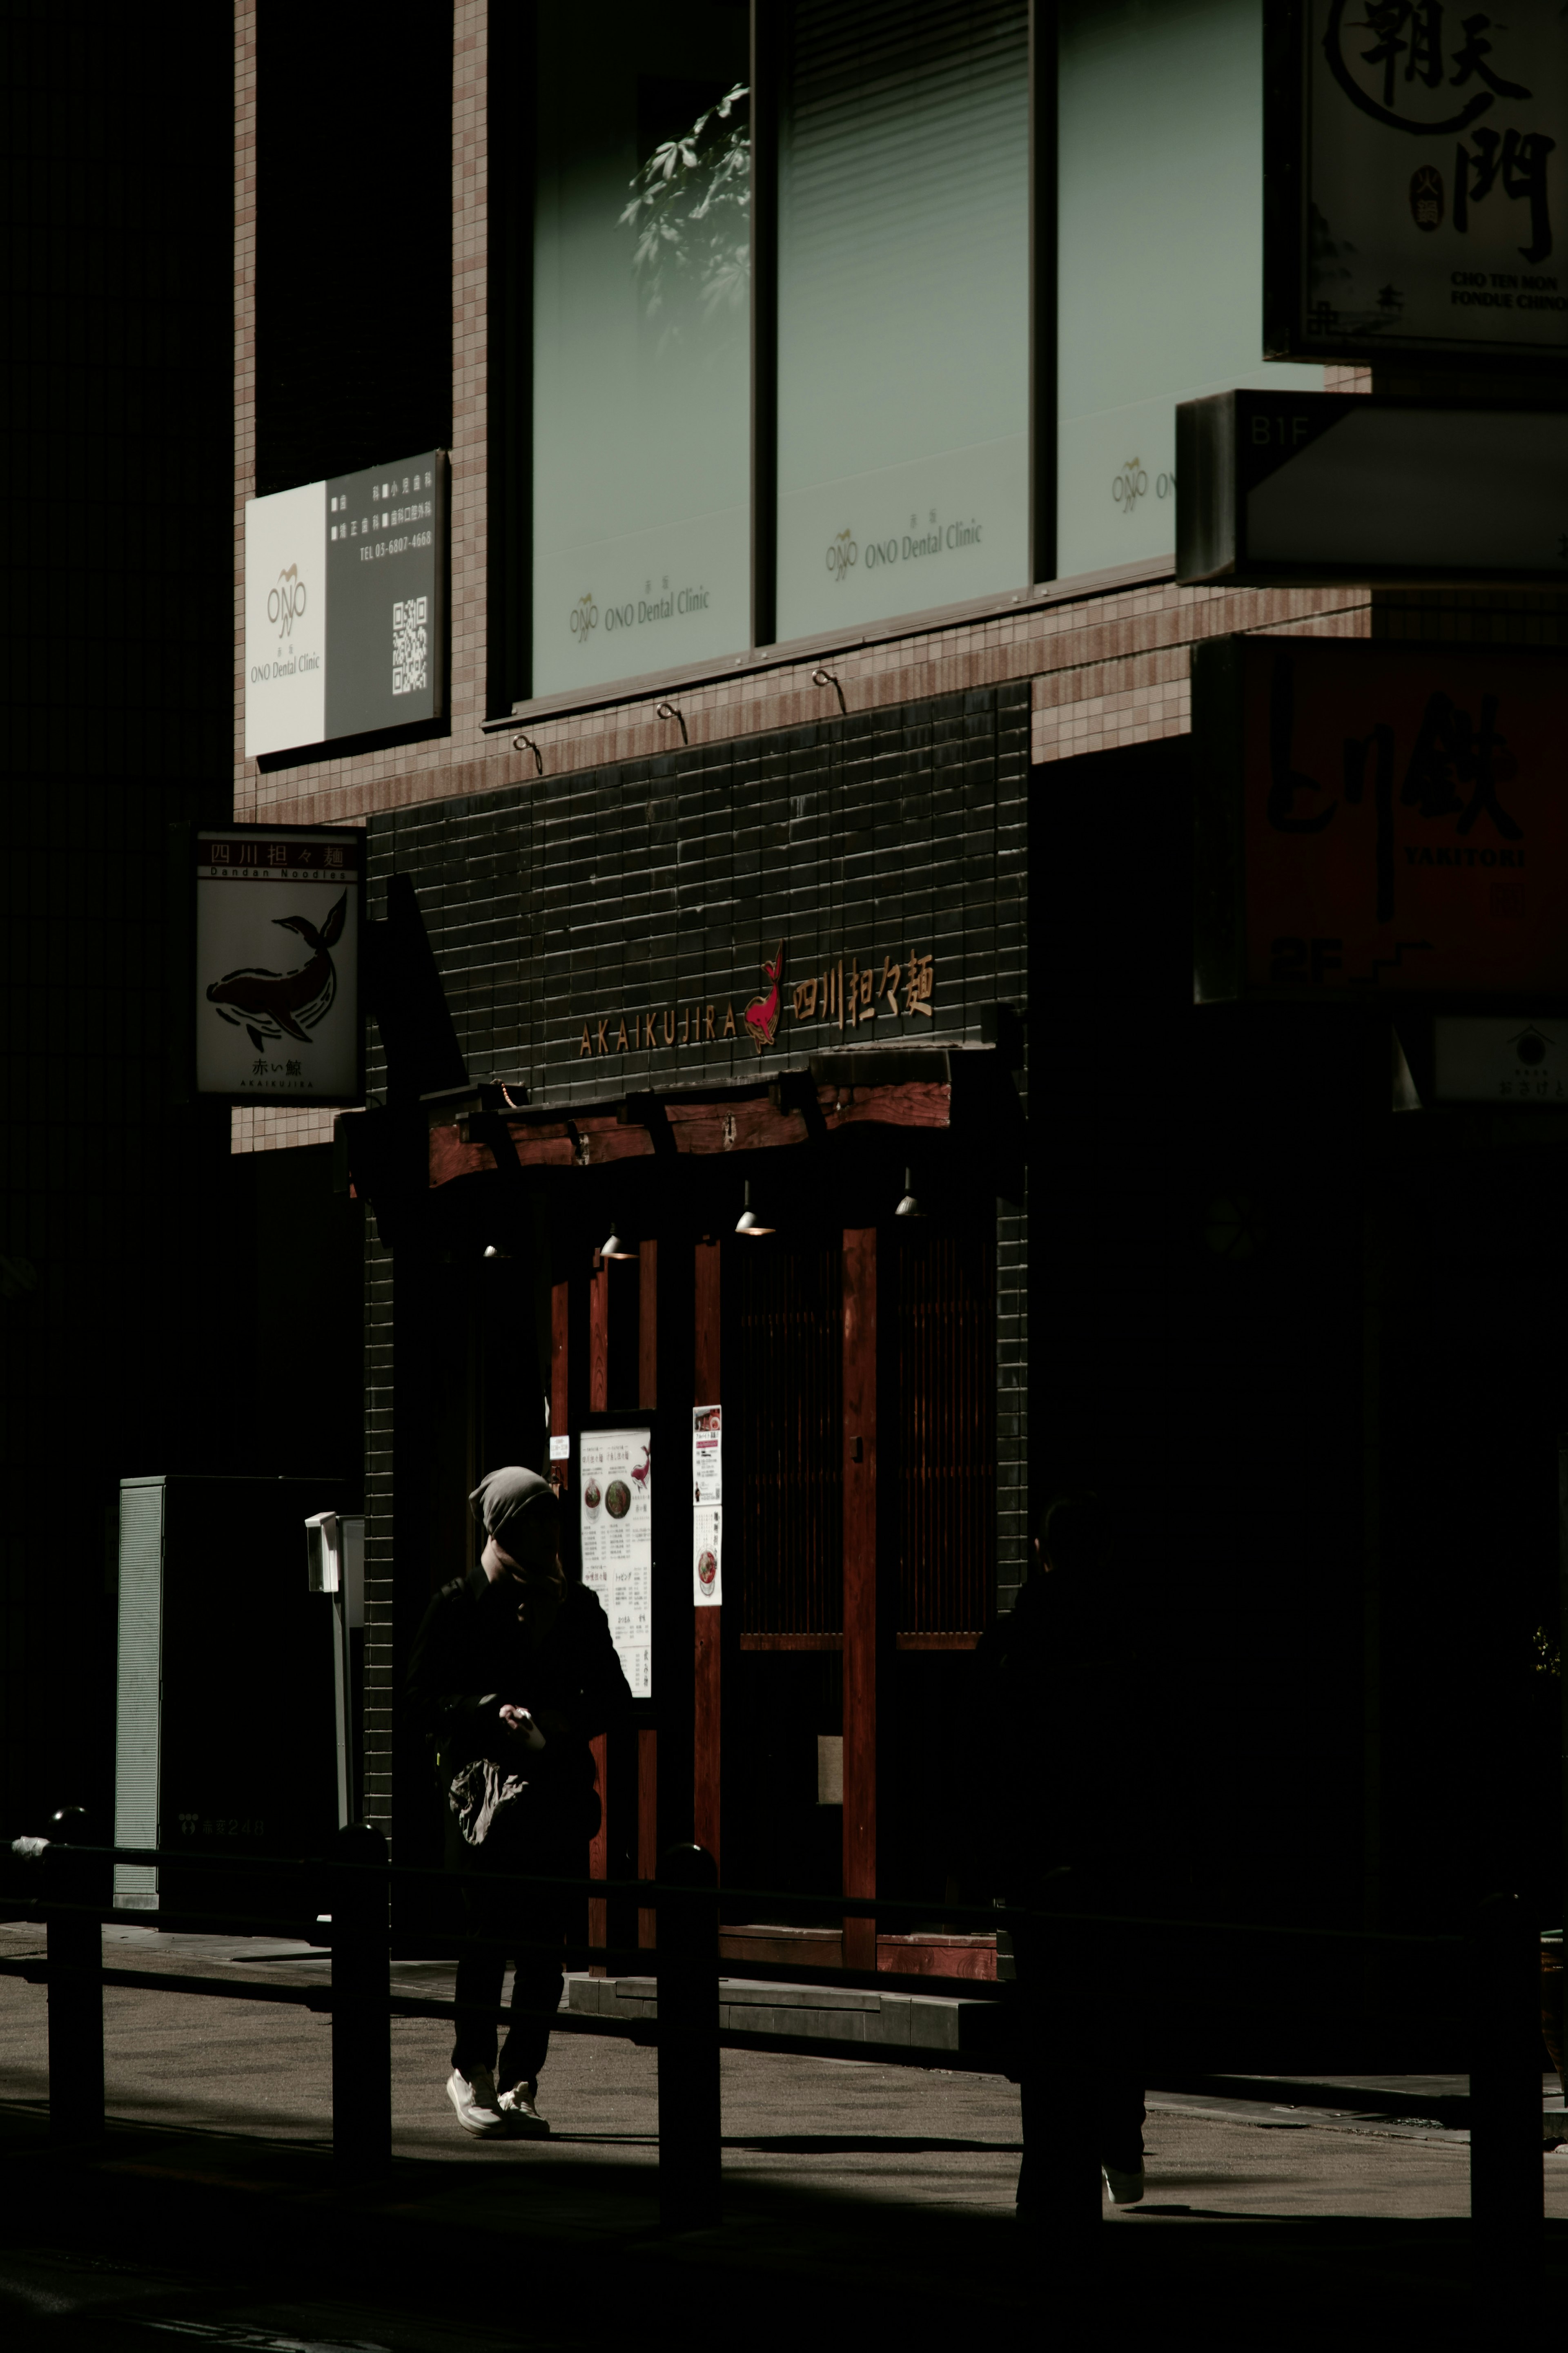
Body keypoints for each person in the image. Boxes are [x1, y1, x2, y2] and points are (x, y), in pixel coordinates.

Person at [406, 1464, 633, 2138]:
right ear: (507, 1527)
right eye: (539, 1518)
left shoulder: (579, 1607)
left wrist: (561, 1721)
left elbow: (615, 1703)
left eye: (555, 1518)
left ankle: (519, 2080)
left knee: (546, 1952)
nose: (552, 1531)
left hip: (557, 1796)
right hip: (485, 1805)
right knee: (486, 1941)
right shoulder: (459, 1602)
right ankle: (469, 2070)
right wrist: (486, 1709)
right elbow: (421, 1700)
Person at [956, 1494, 1150, 2212]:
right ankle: (1121, 2149)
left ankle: (1048, 2173)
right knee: (1117, 2008)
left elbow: (977, 1763)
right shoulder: (1132, 1640)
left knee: (1046, 2018)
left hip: (1038, 1860)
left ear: (1040, 1551)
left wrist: (978, 1863)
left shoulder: (1012, 1640)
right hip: (1115, 1858)